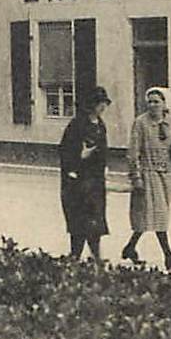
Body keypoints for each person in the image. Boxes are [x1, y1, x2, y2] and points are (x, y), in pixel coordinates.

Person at [122, 87, 171, 270]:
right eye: (149, 101)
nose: (152, 105)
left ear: (165, 104)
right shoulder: (140, 123)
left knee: (149, 216)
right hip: (147, 173)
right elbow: (133, 152)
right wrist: (136, 178)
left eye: (156, 101)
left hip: (165, 175)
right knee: (159, 216)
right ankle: (169, 257)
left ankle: (130, 248)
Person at [59, 86, 111, 260]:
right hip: (78, 180)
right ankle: (75, 255)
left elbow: (103, 149)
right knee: (79, 220)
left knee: (95, 219)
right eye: (99, 103)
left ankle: (96, 256)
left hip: (95, 181)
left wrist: (104, 166)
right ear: (90, 104)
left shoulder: (101, 125)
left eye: (104, 103)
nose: (102, 107)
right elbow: (65, 150)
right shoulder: (77, 124)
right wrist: (79, 156)